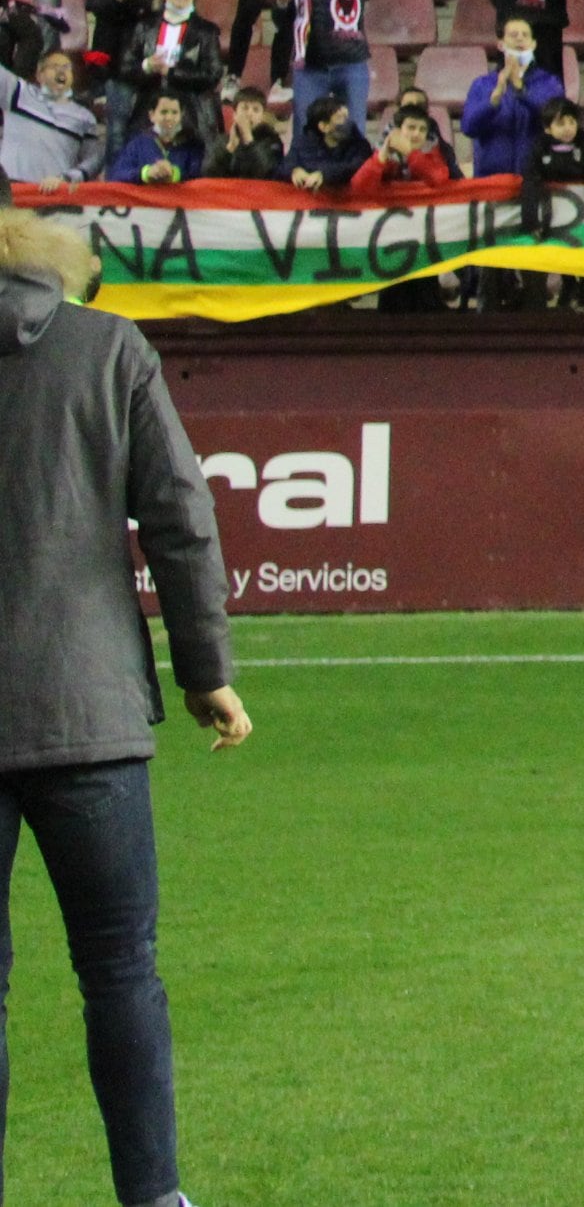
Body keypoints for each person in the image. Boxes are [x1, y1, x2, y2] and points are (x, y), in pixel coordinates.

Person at [0, 206, 250, 1207]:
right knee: (118, 968)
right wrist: (205, 669)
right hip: (87, 704)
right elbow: (181, 517)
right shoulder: (111, 349)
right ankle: (153, 1196)